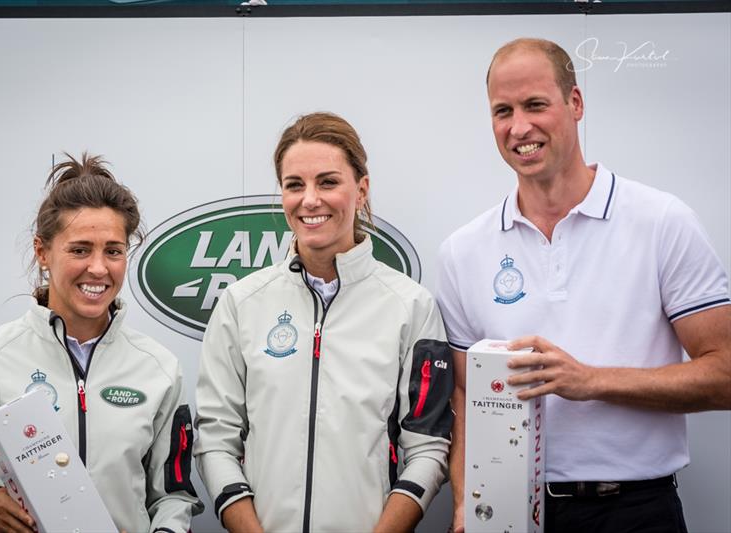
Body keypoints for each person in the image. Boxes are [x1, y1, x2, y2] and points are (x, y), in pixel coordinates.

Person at [438, 38, 731, 533]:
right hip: (510, 511)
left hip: (636, 511)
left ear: (575, 104)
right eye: (502, 111)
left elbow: (724, 373)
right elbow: (464, 394)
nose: (519, 127)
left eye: (535, 105)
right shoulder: (463, 249)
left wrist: (589, 380)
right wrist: (467, 500)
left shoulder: (661, 221)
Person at [195, 112, 454, 532]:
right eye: (294, 185)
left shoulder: (410, 306)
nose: (310, 200)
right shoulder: (242, 303)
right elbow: (215, 439)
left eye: (328, 182)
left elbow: (428, 448)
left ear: (361, 189)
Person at [0, 153, 203, 532]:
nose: (98, 267)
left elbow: (174, 495)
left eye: (113, 250)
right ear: (42, 252)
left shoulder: (158, 369)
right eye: (79, 249)